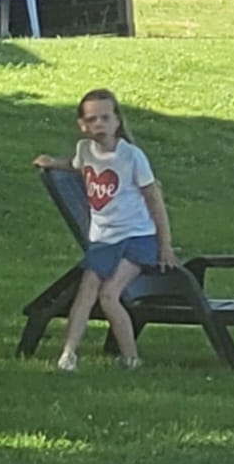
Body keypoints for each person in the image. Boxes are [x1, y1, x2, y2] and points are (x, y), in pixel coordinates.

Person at [33, 88, 177, 370]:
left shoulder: (132, 157)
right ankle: (68, 354)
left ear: (117, 121)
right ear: (82, 125)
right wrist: (52, 163)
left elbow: (154, 201)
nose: (99, 124)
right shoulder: (84, 150)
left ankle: (131, 358)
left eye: (105, 118)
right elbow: (77, 166)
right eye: (92, 119)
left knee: (109, 294)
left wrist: (165, 245)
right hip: (104, 239)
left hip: (137, 238)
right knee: (86, 291)